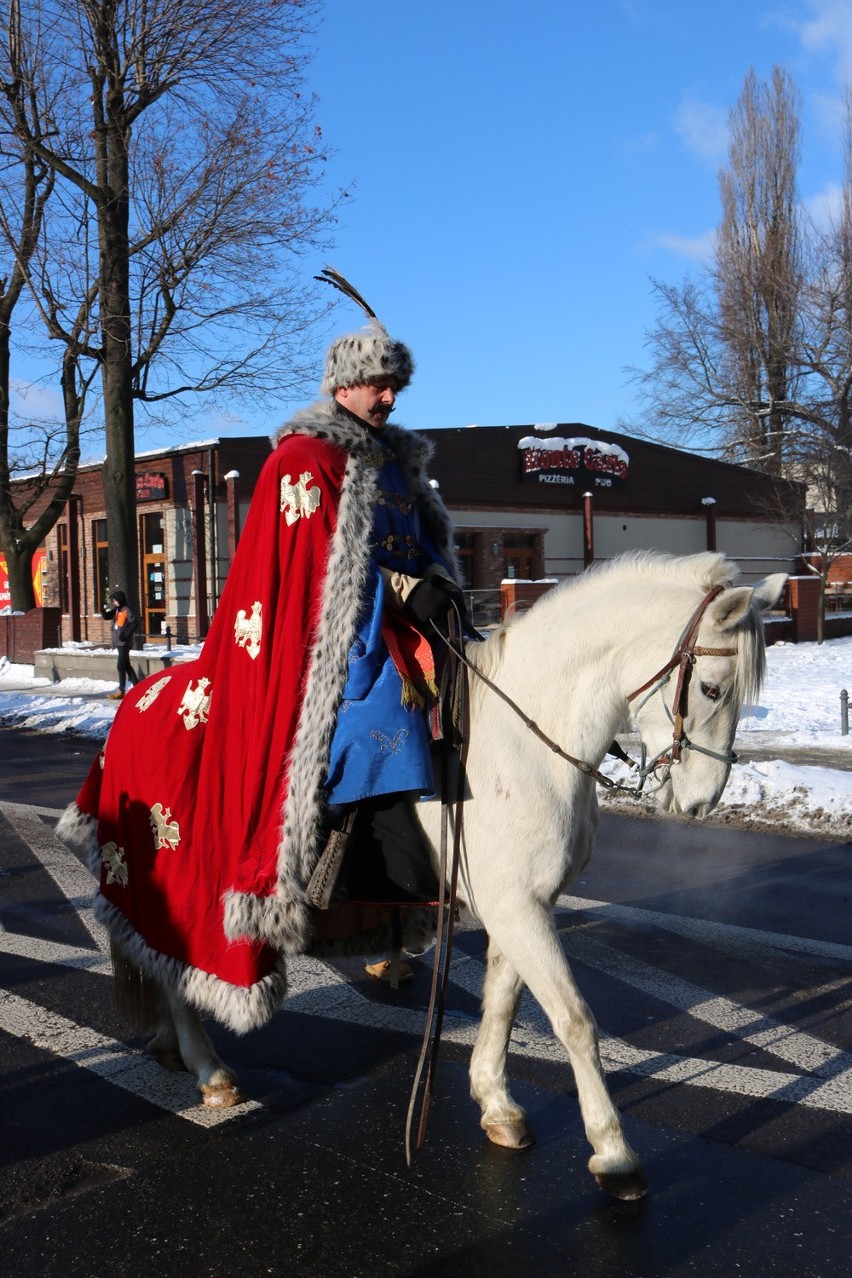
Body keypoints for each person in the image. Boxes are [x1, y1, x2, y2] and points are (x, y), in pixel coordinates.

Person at [59, 270, 468, 1031]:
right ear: (344, 387)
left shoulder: (397, 468)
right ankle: (343, 870)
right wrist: (404, 597)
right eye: (375, 384)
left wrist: (440, 586)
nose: (386, 398)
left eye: (393, 387)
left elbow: (413, 546)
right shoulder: (303, 461)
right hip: (326, 645)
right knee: (371, 714)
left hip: (401, 628)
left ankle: (409, 897)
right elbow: (317, 573)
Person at [102, 590, 140, 700]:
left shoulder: (126, 609)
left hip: (124, 642)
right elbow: (109, 615)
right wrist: (104, 613)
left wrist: (126, 634)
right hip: (119, 642)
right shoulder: (118, 609)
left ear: (120, 600)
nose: (114, 603)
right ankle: (138, 686)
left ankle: (121, 690)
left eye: (115, 601)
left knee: (121, 665)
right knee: (126, 665)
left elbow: (134, 623)